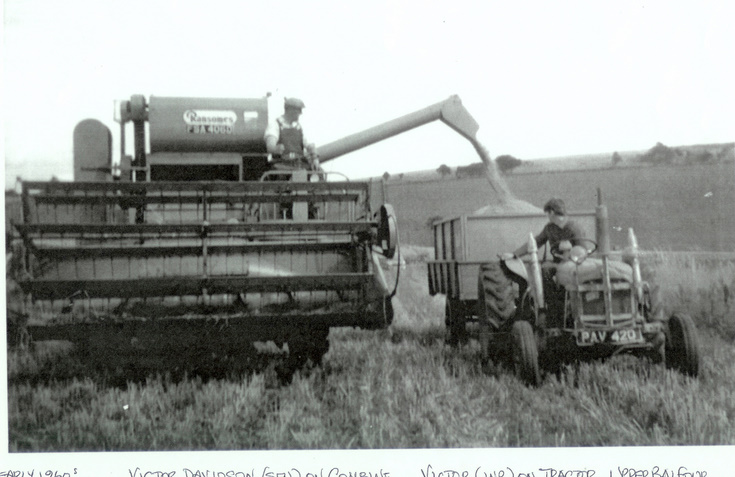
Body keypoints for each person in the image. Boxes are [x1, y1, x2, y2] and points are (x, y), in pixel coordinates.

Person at [512, 197, 585, 262]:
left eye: (547, 214)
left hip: (573, 266)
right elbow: (536, 242)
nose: (547, 217)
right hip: (557, 264)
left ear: (552, 212)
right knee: (545, 270)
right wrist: (514, 255)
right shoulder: (549, 228)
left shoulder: (575, 228)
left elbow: (582, 251)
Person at [264, 97, 319, 171]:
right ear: (290, 110)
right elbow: (270, 146)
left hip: (299, 165)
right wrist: (276, 148)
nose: (301, 113)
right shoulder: (275, 125)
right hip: (281, 165)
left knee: (319, 173)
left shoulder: (298, 127)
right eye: (299, 110)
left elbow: (308, 145)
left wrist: (315, 157)